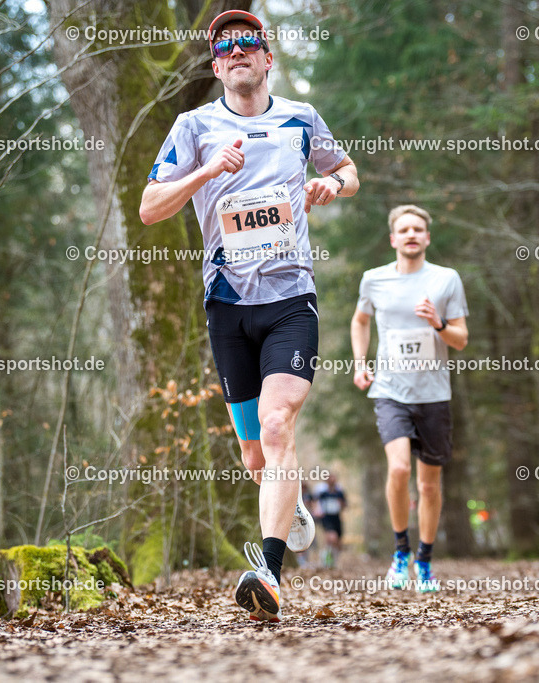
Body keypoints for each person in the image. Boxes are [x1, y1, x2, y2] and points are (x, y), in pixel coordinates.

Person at [139, 9, 358, 622]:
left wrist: (331, 188)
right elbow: (150, 208)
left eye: (249, 43)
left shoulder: (300, 119)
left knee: (279, 422)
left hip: (291, 299)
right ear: (215, 66)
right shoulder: (193, 126)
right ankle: (285, 508)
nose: (237, 51)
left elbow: (348, 171)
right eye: (225, 45)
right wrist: (207, 171)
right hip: (227, 305)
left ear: (267, 58)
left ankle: (269, 573)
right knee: (256, 456)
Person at [350, 205, 468, 591]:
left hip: (434, 395)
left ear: (427, 238)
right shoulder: (374, 280)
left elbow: (461, 340)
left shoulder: (446, 280)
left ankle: (425, 561)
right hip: (390, 392)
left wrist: (437, 322)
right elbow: (360, 320)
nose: (412, 234)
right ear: (393, 239)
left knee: (429, 486)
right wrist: (360, 363)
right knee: (399, 470)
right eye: (405, 230)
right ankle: (400, 552)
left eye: (419, 229)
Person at [315, 474, 346, 568]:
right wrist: (318, 512)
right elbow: (316, 503)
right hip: (326, 518)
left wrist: (341, 504)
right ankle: (325, 560)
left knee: (337, 542)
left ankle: (333, 561)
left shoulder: (339, 493)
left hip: (336, 517)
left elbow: (344, 505)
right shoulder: (323, 493)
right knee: (332, 537)